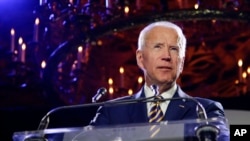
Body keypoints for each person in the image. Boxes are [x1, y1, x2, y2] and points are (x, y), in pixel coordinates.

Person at [89, 21, 229, 140]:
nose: (166, 56)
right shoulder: (113, 111)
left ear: (181, 62)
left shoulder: (205, 109)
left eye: (174, 49)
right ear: (140, 58)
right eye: (158, 47)